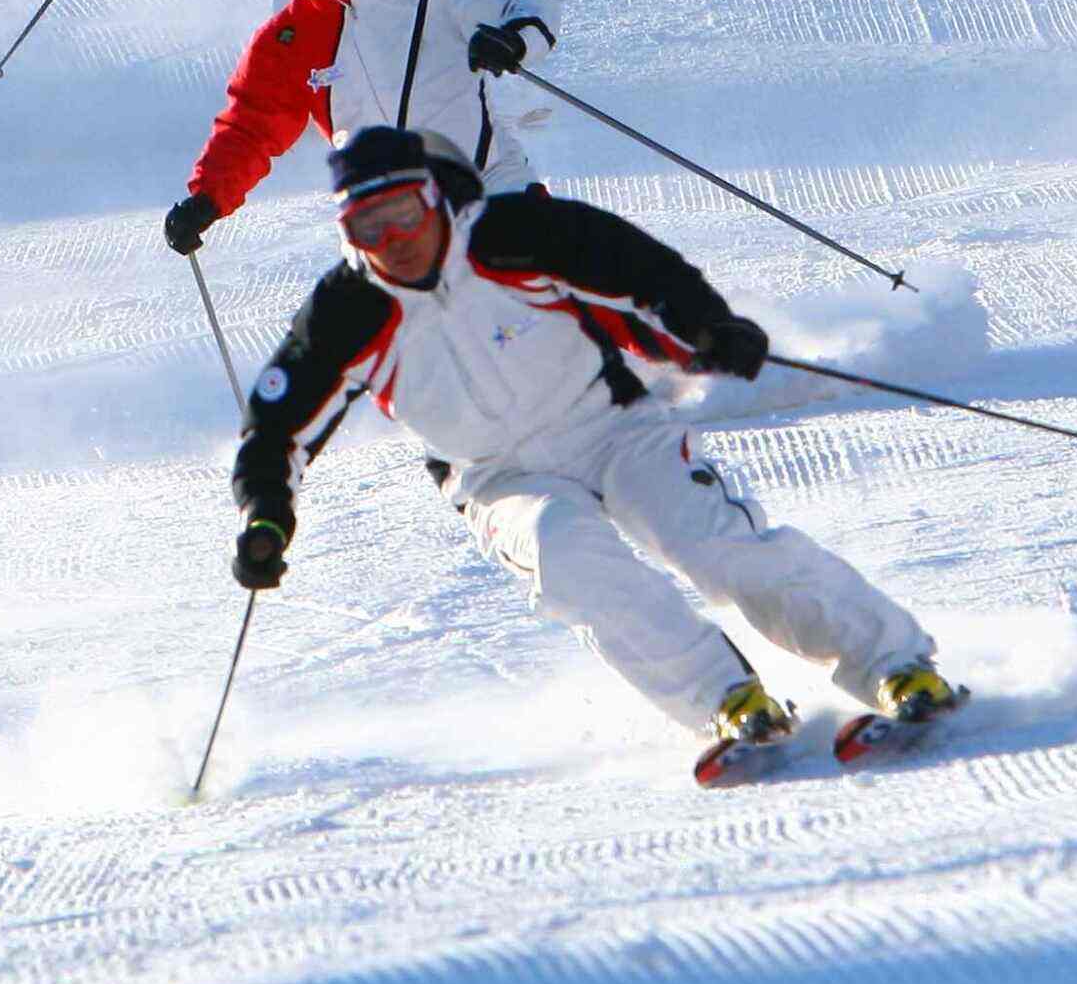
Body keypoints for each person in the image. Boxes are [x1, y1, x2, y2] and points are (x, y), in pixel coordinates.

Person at [225, 125, 969, 786]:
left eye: (405, 213)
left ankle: (894, 665)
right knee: (566, 556)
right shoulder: (347, 311)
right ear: (348, 234)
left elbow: (636, 269)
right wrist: (265, 518)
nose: (396, 241)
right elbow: (274, 429)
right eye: (368, 226)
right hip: (498, 477)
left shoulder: (510, 237)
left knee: (712, 542)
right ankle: (726, 699)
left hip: (611, 425)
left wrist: (706, 329)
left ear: (433, 198)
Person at [161, 0, 557, 260]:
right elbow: (250, 126)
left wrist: (515, 39)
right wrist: (207, 199)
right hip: (385, 217)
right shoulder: (288, 39)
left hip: (484, 178)